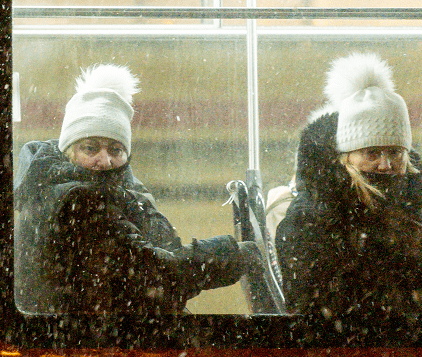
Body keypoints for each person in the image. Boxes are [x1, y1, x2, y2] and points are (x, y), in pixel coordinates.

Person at [14, 64, 257, 316]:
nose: (105, 160)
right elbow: (156, 273)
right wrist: (232, 254)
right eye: (90, 148)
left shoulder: (120, 191)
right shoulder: (76, 199)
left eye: (115, 150)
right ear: (69, 152)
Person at [274, 53, 422, 317]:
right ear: (347, 156)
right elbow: (314, 309)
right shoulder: (311, 216)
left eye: (395, 152)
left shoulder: (413, 190)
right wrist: (411, 310)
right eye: (372, 153)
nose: (386, 165)